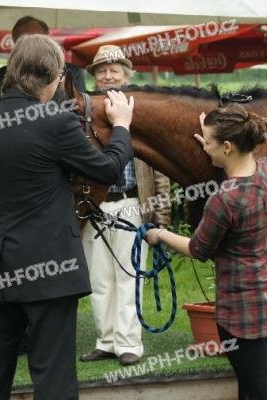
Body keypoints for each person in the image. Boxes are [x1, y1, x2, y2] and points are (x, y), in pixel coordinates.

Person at [0, 34, 134, 400]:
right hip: (50, 266)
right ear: (54, 77)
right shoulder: (55, 121)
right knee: (53, 379)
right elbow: (107, 169)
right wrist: (121, 126)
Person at [145, 105, 267, 400]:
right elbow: (241, 177)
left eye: (208, 142)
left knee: (259, 388)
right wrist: (217, 145)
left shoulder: (223, 201)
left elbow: (197, 249)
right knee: (254, 382)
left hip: (241, 312)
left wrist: (160, 234)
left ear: (227, 147)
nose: (204, 146)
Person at [80, 44, 170, 366]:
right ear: (95, 76)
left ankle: (129, 343)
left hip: (132, 202)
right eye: (102, 71)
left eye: (114, 70)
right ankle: (106, 341)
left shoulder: (140, 110)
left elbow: (159, 167)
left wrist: (161, 217)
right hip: (95, 207)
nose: (108, 75)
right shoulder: (86, 111)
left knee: (130, 275)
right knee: (99, 280)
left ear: (127, 74)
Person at [0, 15, 86, 102]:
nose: (30, 46)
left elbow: (79, 109)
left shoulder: (72, 73)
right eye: (23, 41)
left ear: (48, 41)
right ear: (15, 45)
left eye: (36, 40)